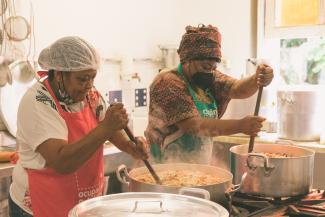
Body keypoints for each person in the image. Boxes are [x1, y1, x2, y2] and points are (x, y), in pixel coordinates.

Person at [9, 36, 149, 217]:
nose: (89, 86)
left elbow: (111, 128)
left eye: (92, 77)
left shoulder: (90, 95)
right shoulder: (38, 102)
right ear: (59, 74)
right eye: (82, 79)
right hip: (39, 205)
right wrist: (106, 127)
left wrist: (130, 146)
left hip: (81, 204)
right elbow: (62, 162)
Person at [145, 24, 274, 164]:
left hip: (196, 168)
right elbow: (194, 126)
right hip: (164, 167)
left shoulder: (209, 78)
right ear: (187, 60)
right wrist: (240, 126)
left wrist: (257, 78)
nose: (209, 72)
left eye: (213, 68)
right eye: (205, 67)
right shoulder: (168, 82)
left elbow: (238, 89)